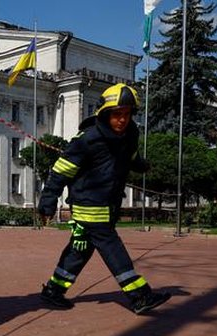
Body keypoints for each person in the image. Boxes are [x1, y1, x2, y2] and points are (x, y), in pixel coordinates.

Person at [37, 83, 171, 315]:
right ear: (105, 113)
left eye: (127, 115)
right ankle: (139, 296)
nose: (122, 120)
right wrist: (47, 203)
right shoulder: (86, 140)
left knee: (80, 250)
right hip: (89, 205)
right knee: (112, 247)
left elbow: (130, 156)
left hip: (109, 204)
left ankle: (53, 290)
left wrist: (142, 165)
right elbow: (60, 172)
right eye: (117, 114)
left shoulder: (129, 135)